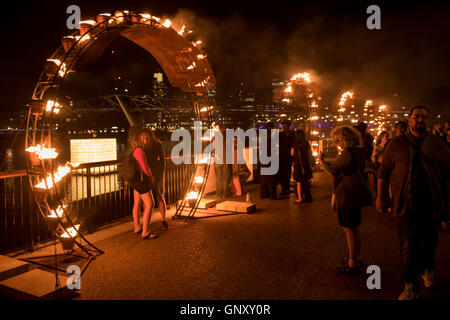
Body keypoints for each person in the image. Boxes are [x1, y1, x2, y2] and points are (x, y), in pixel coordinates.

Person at [376, 106, 450, 300]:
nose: (420, 120)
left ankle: (427, 269)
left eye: (424, 117)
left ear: (428, 121)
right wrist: (381, 197)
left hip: (432, 203)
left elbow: (448, 173)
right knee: (408, 245)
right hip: (404, 204)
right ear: (409, 120)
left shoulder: (438, 144)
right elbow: (383, 172)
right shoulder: (395, 144)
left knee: (429, 241)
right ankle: (410, 285)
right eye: (416, 117)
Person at [318, 126, 372, 273]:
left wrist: (321, 161)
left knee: (348, 228)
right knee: (354, 227)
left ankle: (352, 262)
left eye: (337, 141)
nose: (336, 144)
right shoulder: (360, 151)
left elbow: (333, 170)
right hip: (357, 191)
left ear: (345, 139)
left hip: (347, 193)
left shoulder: (347, 152)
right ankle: (354, 258)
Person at [129, 129, 158, 239]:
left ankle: (137, 227)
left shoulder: (135, 150)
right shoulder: (140, 151)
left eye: (149, 138)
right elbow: (144, 167)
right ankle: (145, 231)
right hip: (141, 181)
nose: (148, 140)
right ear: (140, 138)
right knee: (150, 204)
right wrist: (151, 176)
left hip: (136, 181)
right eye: (146, 138)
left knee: (137, 204)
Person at [142, 128, 168, 231]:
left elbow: (162, 160)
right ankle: (162, 220)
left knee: (153, 198)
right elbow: (162, 160)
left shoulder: (147, 144)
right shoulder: (157, 143)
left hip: (152, 174)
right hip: (154, 173)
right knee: (159, 197)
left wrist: (160, 174)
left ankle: (153, 222)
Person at [291, 129, 313, 203]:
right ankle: (308, 196)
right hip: (306, 164)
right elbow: (310, 154)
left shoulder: (295, 144)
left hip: (298, 165)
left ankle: (300, 198)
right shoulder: (306, 143)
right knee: (306, 181)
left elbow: (292, 153)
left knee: (299, 182)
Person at [260, 122, 278, 200]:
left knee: (264, 178)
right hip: (270, 160)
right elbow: (271, 150)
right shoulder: (270, 140)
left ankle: (264, 194)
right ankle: (272, 195)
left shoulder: (262, 139)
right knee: (271, 179)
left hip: (263, 161)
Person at [214, 123, 232, 199]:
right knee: (225, 178)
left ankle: (218, 194)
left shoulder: (215, 137)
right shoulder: (227, 137)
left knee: (218, 178)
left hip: (218, 160)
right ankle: (224, 194)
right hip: (226, 159)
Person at [278, 119, 295, 195]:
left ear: (288, 126)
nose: (284, 127)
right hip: (282, 157)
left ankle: (287, 188)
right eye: (283, 125)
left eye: (286, 125)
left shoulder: (292, 134)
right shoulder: (280, 135)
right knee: (282, 173)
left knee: (288, 172)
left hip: (289, 156)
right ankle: (283, 189)